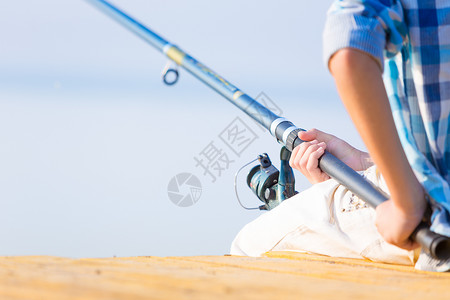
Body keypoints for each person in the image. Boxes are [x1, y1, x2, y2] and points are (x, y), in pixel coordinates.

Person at [231, 0, 450, 272]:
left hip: (435, 218)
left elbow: (348, 47)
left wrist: (406, 205)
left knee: (248, 244)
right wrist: (366, 162)